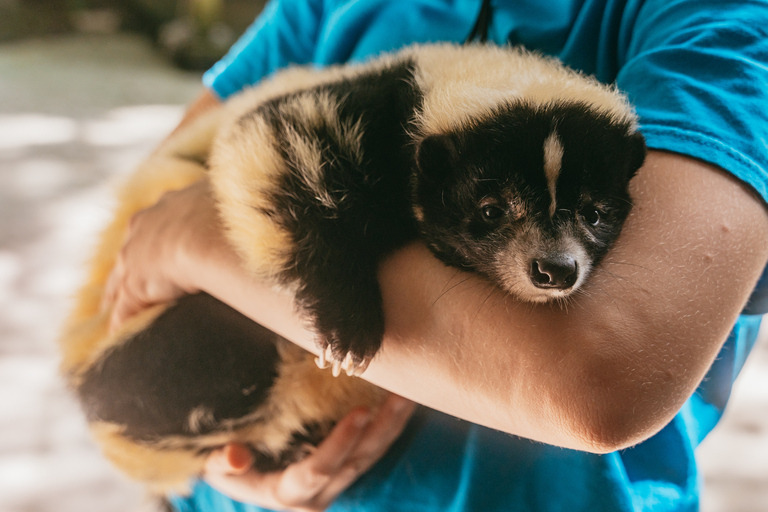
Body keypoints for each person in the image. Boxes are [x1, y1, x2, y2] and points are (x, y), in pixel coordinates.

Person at [103, 0, 768, 510]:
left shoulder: (719, 24)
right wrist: (224, 460)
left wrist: (196, 237)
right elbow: (134, 243)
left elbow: (602, 378)